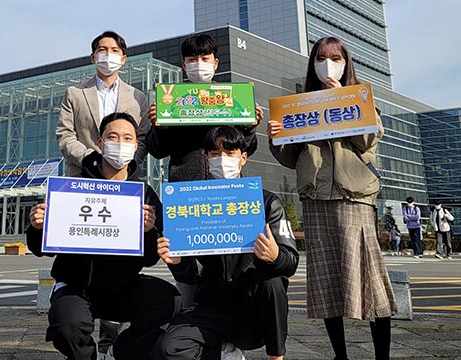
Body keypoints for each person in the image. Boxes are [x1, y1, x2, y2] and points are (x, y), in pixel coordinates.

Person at [268, 36, 397, 360]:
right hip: (315, 199)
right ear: (312, 64)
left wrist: (339, 98)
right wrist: (276, 138)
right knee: (326, 282)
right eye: (321, 58)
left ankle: (382, 355)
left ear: (346, 62)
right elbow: (290, 158)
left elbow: (368, 139)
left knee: (370, 281)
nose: (328, 63)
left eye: (336, 58)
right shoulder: (299, 104)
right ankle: (341, 355)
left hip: (353, 197)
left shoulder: (360, 97)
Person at [27, 112, 181, 360]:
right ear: (99, 142)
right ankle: (88, 356)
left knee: (170, 300)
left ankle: (119, 351)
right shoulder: (71, 187)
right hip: (76, 287)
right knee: (68, 326)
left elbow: (151, 258)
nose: (120, 143)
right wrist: (37, 226)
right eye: (113, 137)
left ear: (135, 145)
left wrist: (149, 231)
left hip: (123, 287)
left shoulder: (145, 195)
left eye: (127, 138)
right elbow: (42, 247)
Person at [151, 126, 299, 360]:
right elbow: (191, 276)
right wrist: (178, 262)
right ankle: (223, 351)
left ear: (243, 158)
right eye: (214, 153)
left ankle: (276, 357)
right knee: (167, 348)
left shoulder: (268, 201)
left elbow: (290, 262)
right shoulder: (192, 205)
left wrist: (275, 256)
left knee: (272, 282)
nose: (222, 160)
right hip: (212, 306)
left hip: (252, 312)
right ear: (207, 160)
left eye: (229, 153)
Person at [145, 33, 263, 310]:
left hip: (227, 191)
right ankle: (188, 324)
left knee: (229, 263)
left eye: (204, 59)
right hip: (187, 192)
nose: (199, 64)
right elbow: (156, 149)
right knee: (187, 265)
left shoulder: (231, 99)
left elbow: (246, 148)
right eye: (192, 59)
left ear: (215, 63)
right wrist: (159, 125)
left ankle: (229, 335)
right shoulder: (173, 100)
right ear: (183, 65)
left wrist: (250, 126)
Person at [56, 31, 150, 177]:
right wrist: (89, 159)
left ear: (123, 59)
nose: (108, 55)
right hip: (82, 171)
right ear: (93, 58)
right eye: (102, 50)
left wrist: (129, 162)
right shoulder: (75, 93)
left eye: (114, 50)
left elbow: (143, 137)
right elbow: (65, 134)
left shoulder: (137, 97)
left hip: (123, 176)